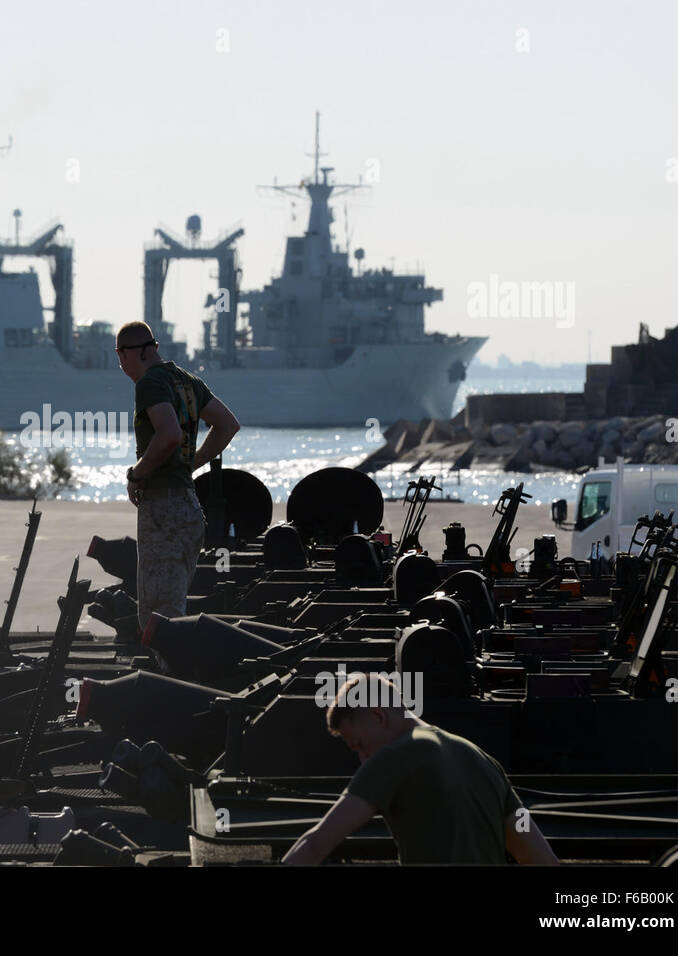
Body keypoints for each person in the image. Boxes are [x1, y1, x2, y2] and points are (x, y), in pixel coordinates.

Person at [281, 675, 559, 865]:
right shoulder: (482, 759)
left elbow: (317, 843)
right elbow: (541, 858)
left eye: (359, 745)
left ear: (379, 715)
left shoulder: (393, 758)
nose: (364, 759)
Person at [115, 320, 240, 632]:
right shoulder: (187, 381)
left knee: (160, 621)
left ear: (138, 352)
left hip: (163, 510)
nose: (120, 364)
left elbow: (169, 434)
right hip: (188, 509)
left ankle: (169, 678)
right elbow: (226, 425)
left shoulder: (150, 383)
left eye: (121, 355)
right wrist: (191, 464)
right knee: (172, 611)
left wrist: (136, 474)